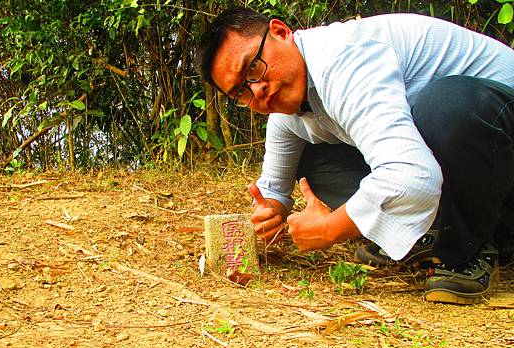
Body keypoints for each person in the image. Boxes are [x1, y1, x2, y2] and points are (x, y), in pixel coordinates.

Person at [195, 7, 514, 305]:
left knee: (446, 106)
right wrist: (269, 214)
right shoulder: (288, 113)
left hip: (501, 142)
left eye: (253, 67)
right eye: (240, 91)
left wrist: (331, 228)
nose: (257, 90)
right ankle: (431, 234)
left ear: (280, 32)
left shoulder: (342, 61)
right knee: (313, 162)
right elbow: (273, 190)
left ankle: (466, 250)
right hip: (479, 175)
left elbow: (414, 174)